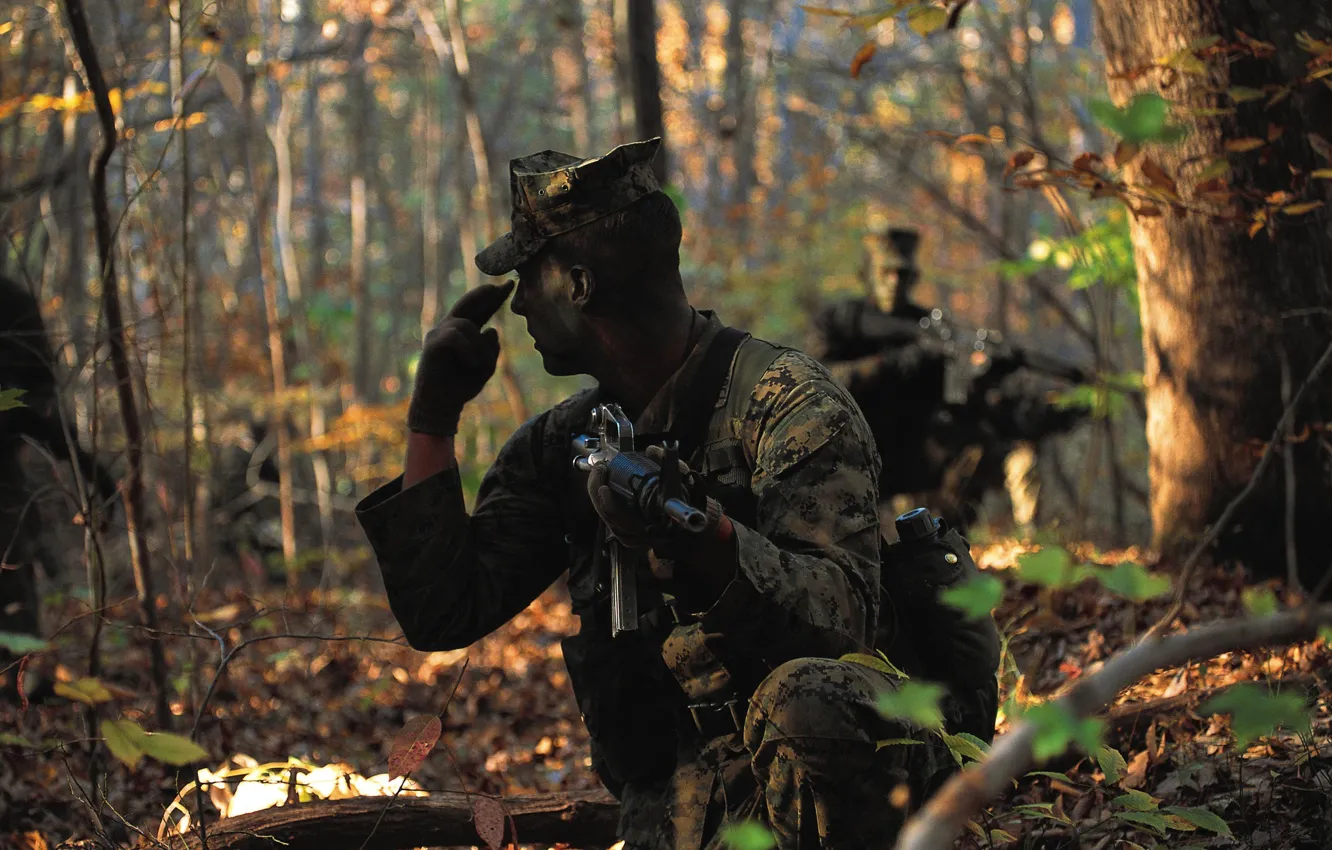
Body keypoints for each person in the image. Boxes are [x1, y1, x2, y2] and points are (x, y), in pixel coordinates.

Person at [355, 139, 958, 849]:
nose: (516, 308)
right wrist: (432, 422)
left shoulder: (788, 405)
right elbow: (442, 612)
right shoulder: (562, 446)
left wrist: (706, 544)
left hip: (859, 781)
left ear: (579, 285)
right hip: (680, 812)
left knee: (804, 704)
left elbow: (846, 616)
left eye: (529, 276)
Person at [813, 227, 1085, 534]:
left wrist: (984, 377)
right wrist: (897, 362)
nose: (894, 282)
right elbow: (821, 382)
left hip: (912, 462)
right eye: (886, 272)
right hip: (850, 455)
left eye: (903, 275)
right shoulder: (841, 321)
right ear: (868, 274)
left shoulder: (929, 328)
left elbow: (959, 408)